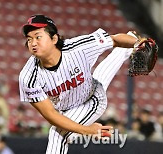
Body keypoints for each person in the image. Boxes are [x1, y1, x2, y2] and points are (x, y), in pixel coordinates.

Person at [19, 14, 138, 154]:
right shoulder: (29, 77)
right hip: (68, 105)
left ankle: (132, 44)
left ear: (54, 38)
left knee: (58, 135)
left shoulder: (78, 47)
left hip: (91, 99)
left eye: (38, 37)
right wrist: (87, 130)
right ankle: (125, 50)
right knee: (99, 76)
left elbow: (113, 39)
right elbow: (50, 114)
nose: (33, 43)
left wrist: (139, 43)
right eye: (29, 39)